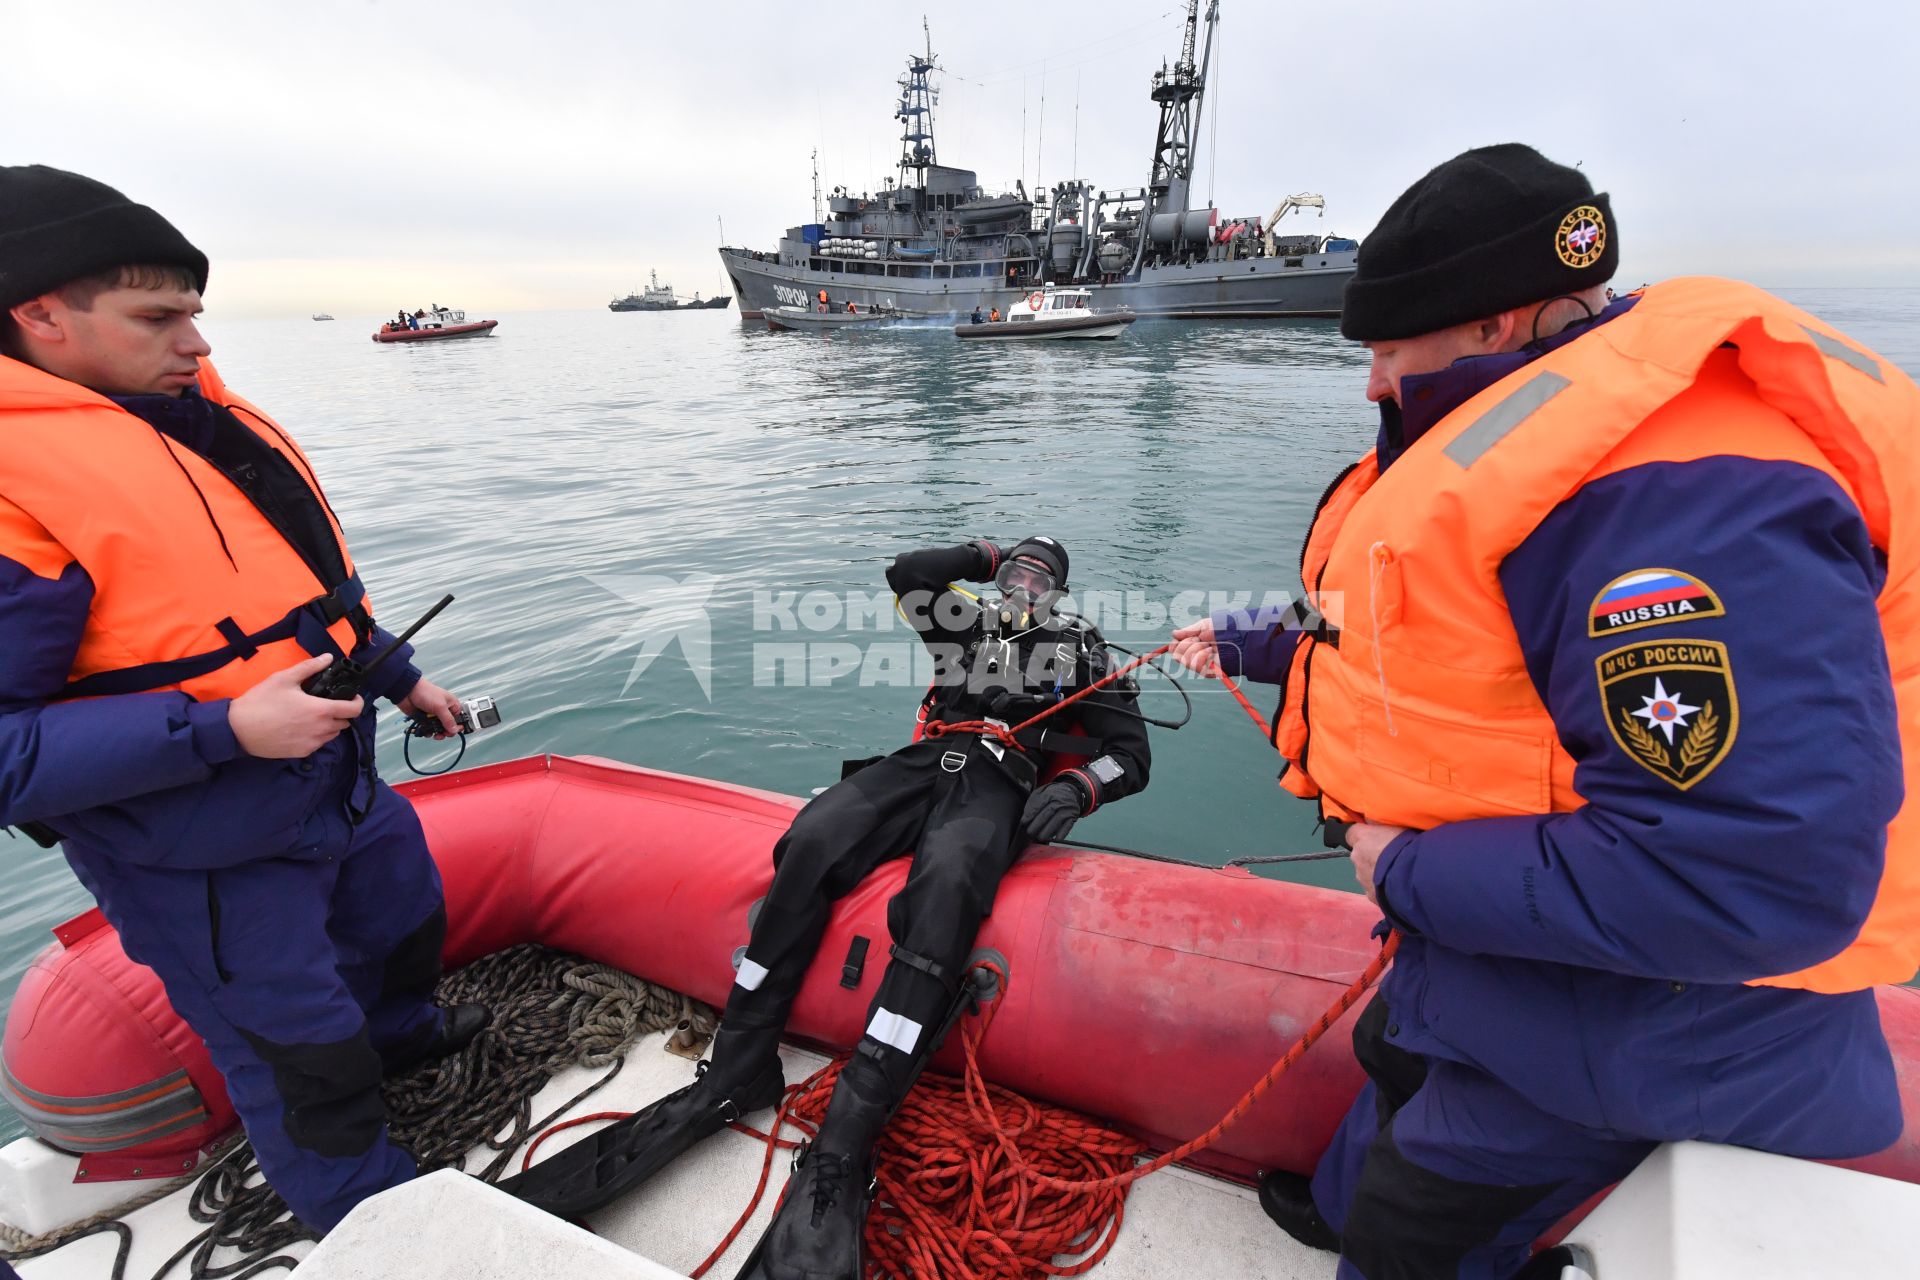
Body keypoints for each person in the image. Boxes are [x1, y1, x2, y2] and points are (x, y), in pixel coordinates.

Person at [1168, 143, 1916, 1280]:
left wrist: (1398, 867)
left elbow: (1748, 877)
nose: (1372, 382)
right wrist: (1241, 641)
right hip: (1521, 937)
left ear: (1497, 328)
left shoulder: (1674, 502)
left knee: (1414, 1234)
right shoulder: (1547, 446)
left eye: (1385, 349)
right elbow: (1413, 634)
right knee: (1394, 1047)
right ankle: (1341, 1194)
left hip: (1662, 1009)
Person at [0, 166, 490, 1233]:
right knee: (292, 1038)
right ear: (39, 316)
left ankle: (403, 1033)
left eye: (197, 313)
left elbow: (310, 592)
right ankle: (365, 1214)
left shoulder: (193, 424)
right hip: (196, 843)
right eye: (159, 317)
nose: (199, 346)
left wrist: (402, 676)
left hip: (336, 781)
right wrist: (224, 727)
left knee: (401, 911)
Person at [502, 536, 1153, 1278]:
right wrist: (985, 552)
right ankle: (740, 1066)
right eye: (1015, 572)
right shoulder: (964, 625)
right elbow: (908, 572)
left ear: (1060, 594)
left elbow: (1131, 754)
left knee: (943, 888)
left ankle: (851, 1125)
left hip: (997, 779)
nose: (1023, 585)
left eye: (1041, 578)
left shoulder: (1082, 652)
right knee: (809, 839)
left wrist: (1075, 788)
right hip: (919, 764)